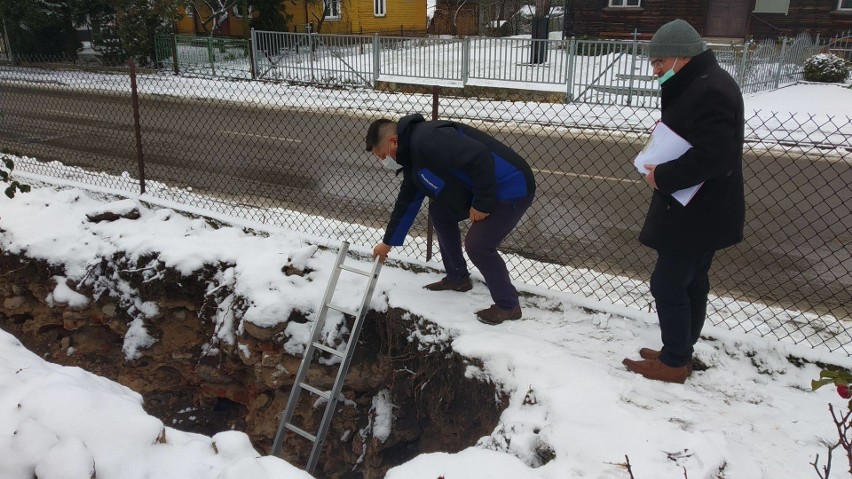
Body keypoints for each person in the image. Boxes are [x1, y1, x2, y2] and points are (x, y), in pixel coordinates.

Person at [622, 19, 745, 383]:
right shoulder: (702, 84)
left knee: (669, 284)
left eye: (660, 62)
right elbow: (699, 139)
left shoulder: (709, 91)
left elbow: (714, 156)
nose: (656, 70)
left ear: (683, 56)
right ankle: (680, 349)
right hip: (701, 208)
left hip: (697, 209)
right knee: (691, 281)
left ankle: (674, 362)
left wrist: (663, 175)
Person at [366, 114, 536, 325]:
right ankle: (458, 278)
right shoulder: (412, 158)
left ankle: (508, 306)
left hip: (511, 186)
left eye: (381, 156)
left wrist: (482, 203)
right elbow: (406, 204)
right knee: (440, 211)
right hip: (480, 188)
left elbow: (479, 156)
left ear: (392, 142)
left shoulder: (428, 138)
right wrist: (387, 243)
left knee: (478, 245)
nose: (384, 161)